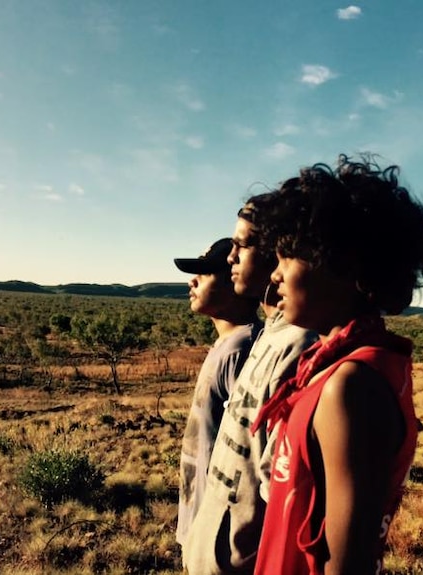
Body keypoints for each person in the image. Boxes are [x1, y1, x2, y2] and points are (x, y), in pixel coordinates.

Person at [250, 155, 423, 575]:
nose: (275, 276)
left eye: (288, 257)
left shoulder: (351, 385)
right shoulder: (338, 366)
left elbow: (347, 565)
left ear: (341, 264)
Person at [181, 195, 317, 574]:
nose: (230, 257)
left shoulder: (298, 347)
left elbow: (279, 494)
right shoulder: (269, 336)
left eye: (242, 245)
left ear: (279, 256)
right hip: (211, 555)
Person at [174, 238, 264, 554]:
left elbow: (248, 453)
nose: (192, 281)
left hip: (218, 536)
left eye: (205, 273)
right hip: (201, 524)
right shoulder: (229, 345)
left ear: (234, 283)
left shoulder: (243, 350)